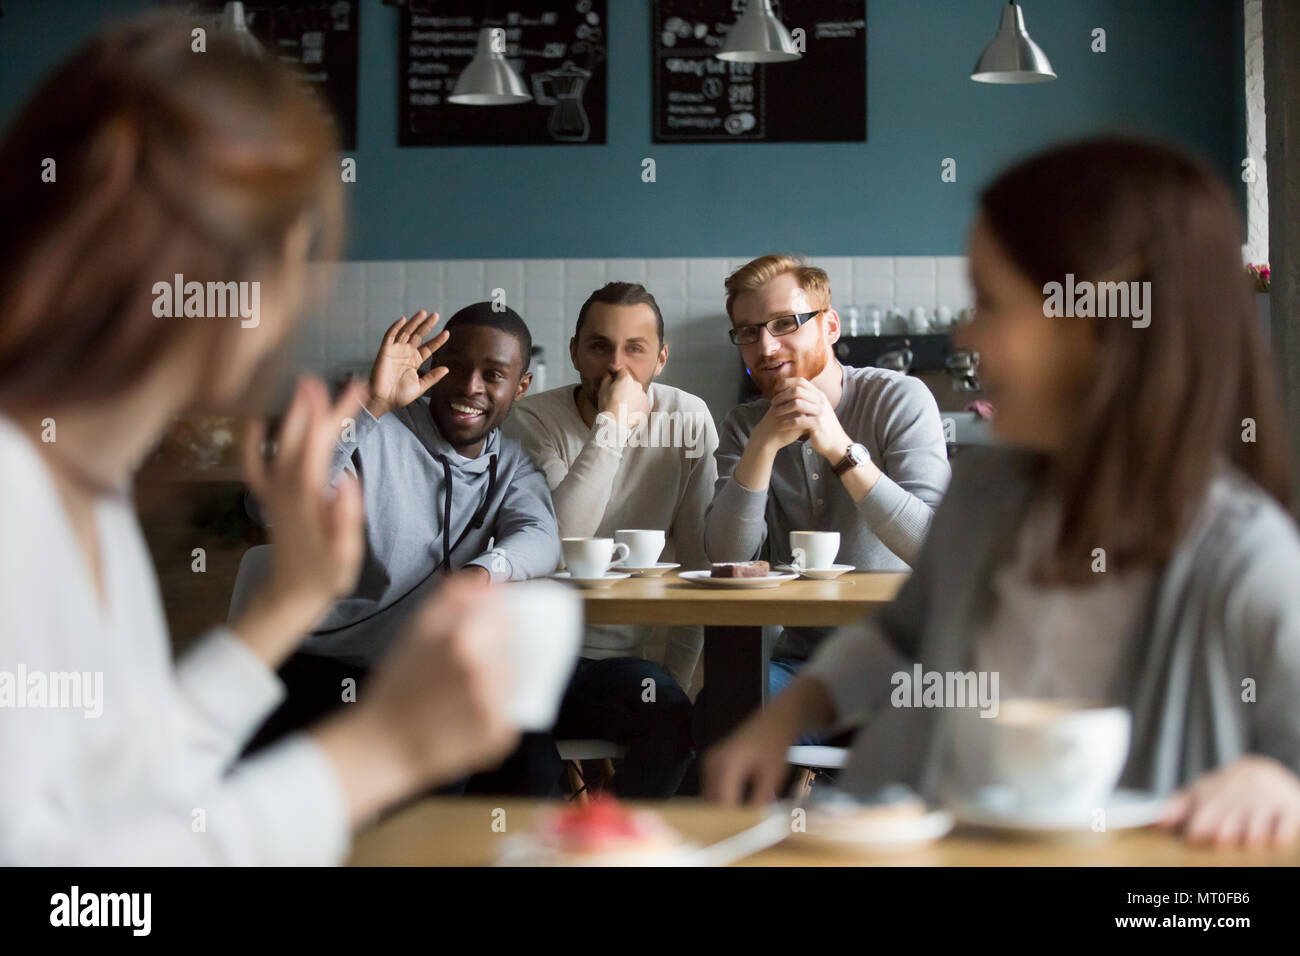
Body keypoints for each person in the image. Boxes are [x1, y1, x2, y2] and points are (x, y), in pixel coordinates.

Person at [0, 15, 521, 864]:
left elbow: (116, 789)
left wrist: (286, 605)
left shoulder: (80, 490)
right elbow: (71, 887)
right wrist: (380, 753)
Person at [705, 138, 1300, 849]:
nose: (964, 331)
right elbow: (900, 638)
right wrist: (791, 709)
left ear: (1102, 324)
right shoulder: (990, 490)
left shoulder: (1241, 550)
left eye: (990, 303)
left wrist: (1279, 778)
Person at [248, 303, 564, 796]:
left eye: (493, 374)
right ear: (428, 368)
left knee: (536, 768)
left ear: (520, 387)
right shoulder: (375, 432)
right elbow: (269, 509)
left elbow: (542, 538)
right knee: (440, 763)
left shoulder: (514, 463)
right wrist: (371, 406)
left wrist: (481, 573)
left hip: (429, 677)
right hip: (332, 669)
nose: (470, 387)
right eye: (455, 366)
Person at [504, 282, 718, 797]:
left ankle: (614, 843)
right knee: (525, 772)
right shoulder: (533, 419)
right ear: (576, 351)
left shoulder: (687, 419)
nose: (616, 367)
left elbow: (700, 566)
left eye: (635, 349)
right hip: (527, 657)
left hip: (620, 670)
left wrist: (675, 676)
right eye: (599, 346)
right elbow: (556, 545)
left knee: (677, 726)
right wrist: (614, 427)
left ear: (661, 358)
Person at [704, 254, 950, 699]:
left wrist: (840, 449)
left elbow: (933, 547)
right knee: (729, 704)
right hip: (802, 667)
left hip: (905, 665)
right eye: (748, 331)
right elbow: (725, 556)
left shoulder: (899, 399)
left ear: (830, 327)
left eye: (784, 323)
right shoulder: (743, 424)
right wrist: (762, 445)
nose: (766, 346)